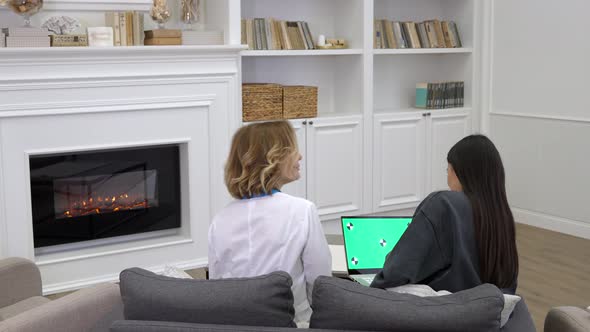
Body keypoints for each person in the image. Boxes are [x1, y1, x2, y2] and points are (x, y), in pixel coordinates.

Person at [208, 120, 332, 325]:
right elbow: (321, 284)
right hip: (293, 322)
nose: (300, 156)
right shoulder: (302, 210)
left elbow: (218, 287)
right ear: (273, 158)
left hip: (236, 325)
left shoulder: (220, 220)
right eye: (293, 150)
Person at [370, 134, 519, 294]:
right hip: (484, 314)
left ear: (457, 171)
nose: (447, 177)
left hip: (440, 313)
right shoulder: (502, 216)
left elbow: (395, 272)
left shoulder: (443, 204)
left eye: (447, 170)